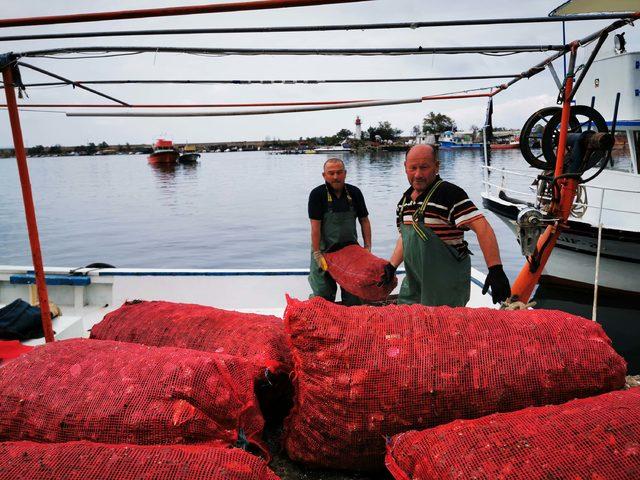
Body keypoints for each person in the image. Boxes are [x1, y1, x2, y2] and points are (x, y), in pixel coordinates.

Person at [379, 144, 510, 306]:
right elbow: (406, 239)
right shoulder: (404, 202)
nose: (418, 174)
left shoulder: (450, 194)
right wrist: (392, 266)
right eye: (413, 168)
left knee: (443, 329)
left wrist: (495, 269)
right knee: (407, 324)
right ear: (405, 167)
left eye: (424, 167)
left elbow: (482, 228)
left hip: (446, 289)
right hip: (414, 287)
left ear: (437, 166)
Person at [308, 158, 371, 305]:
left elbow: (364, 221)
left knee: (353, 296)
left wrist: (367, 247)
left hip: (350, 253)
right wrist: (317, 253)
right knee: (322, 295)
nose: (335, 177)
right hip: (324, 251)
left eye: (339, 172)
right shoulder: (317, 194)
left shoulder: (355, 192)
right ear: (324, 175)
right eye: (331, 173)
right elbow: (315, 227)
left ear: (345, 173)